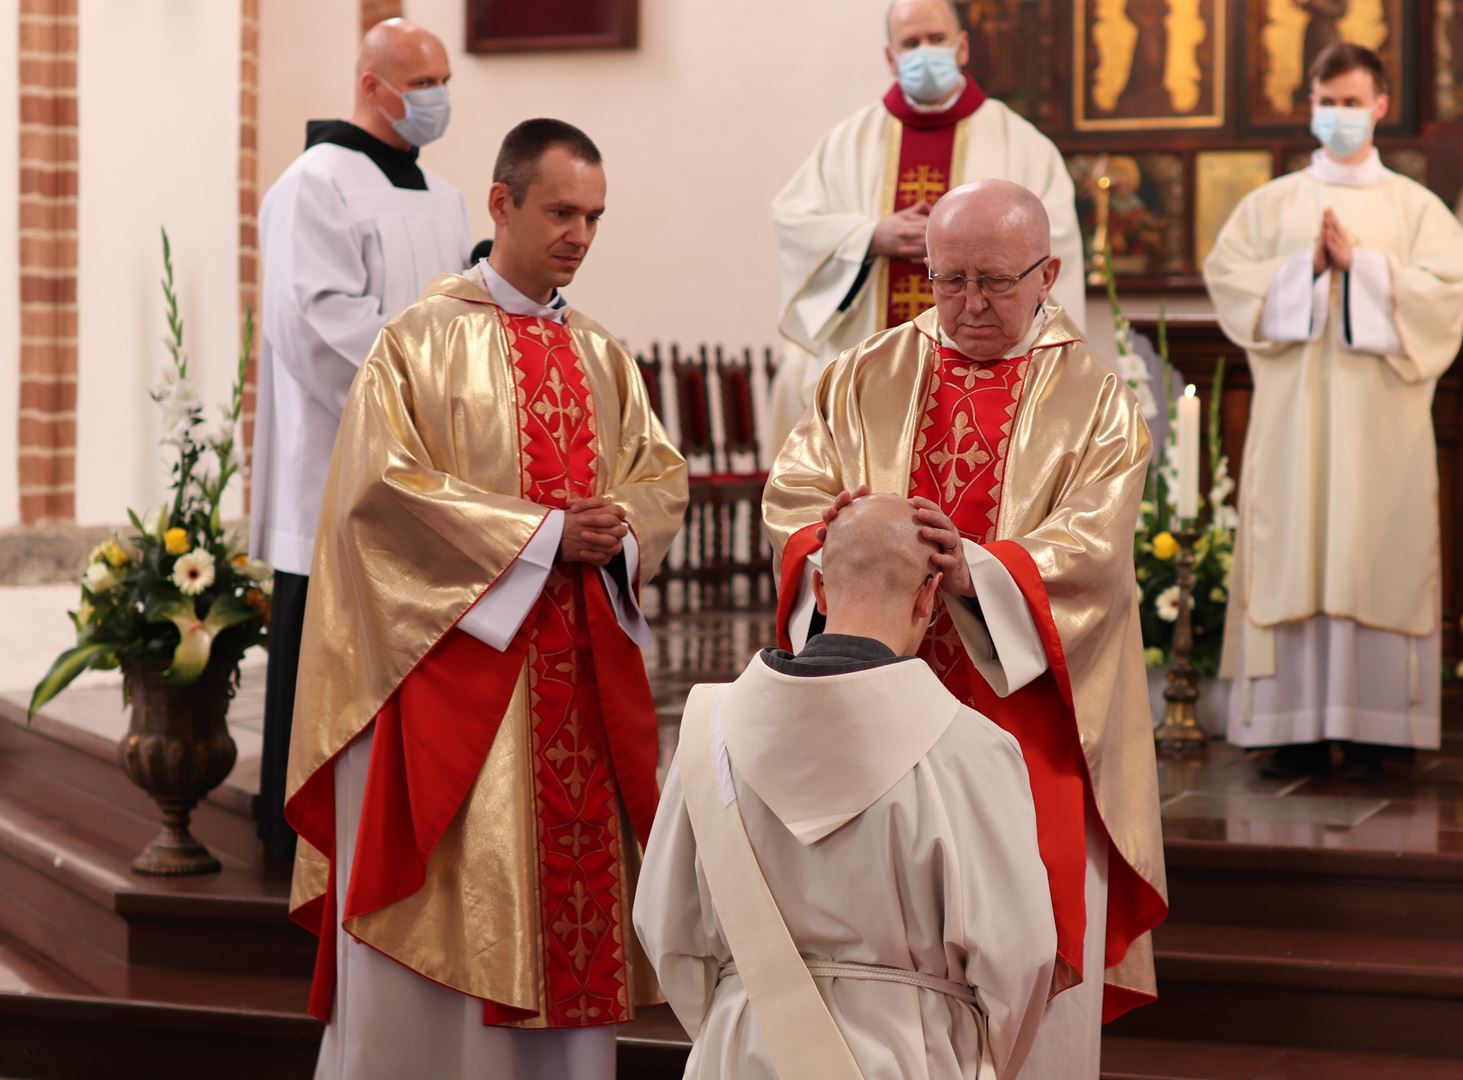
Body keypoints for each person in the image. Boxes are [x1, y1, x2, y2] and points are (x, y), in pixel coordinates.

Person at [282, 119, 688, 1079]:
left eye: (594, 216)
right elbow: (379, 501)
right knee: (458, 910)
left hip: (577, 691)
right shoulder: (416, 344)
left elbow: (658, 478)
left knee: (567, 917)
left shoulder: (602, 355)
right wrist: (544, 536)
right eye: (560, 212)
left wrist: (621, 525)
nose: (580, 235)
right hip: (459, 687)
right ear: (500, 204)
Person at [763, 179, 1166, 1080]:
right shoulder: (863, 373)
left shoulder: (1095, 398)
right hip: (876, 722)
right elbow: (791, 501)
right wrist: (832, 539)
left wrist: (978, 568)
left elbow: (1094, 551)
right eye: (948, 281)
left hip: (1028, 728)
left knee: (1027, 945)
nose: (970, 304)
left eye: (994, 280)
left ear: (1048, 274)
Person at [635, 493, 1056, 1078]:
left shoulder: (710, 730)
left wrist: (743, 1016)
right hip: (913, 1052)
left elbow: (663, 927)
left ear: (821, 592)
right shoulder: (974, 750)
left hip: (740, 1051)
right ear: (928, 596)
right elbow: (1022, 956)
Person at [1203, 43, 1463, 780]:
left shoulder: (1417, 209)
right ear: (1311, 104)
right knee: (1295, 547)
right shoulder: (1271, 206)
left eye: (1354, 103)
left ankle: (1380, 726)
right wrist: (1306, 270)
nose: (1341, 116)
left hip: (1382, 429)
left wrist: (1364, 268)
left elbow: (1445, 295)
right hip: (1294, 428)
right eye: (1329, 102)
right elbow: (1226, 279)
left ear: (1381, 106)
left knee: (1373, 549)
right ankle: (1290, 725)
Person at [249, 18, 469, 861]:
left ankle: (394, 832)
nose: (437, 99)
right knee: (323, 658)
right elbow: (316, 324)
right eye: (421, 84)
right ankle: (301, 842)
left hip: (428, 465)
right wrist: (423, 394)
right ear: (371, 86)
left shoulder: (445, 198)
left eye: (443, 80)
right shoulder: (314, 185)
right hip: (339, 467)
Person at [766, 0, 1085, 456]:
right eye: (911, 43)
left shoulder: (1024, 145)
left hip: (992, 381)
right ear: (890, 56)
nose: (925, 52)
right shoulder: (848, 143)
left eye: (936, 40)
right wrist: (871, 237)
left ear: (962, 46)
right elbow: (795, 223)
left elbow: (1057, 256)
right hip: (869, 379)